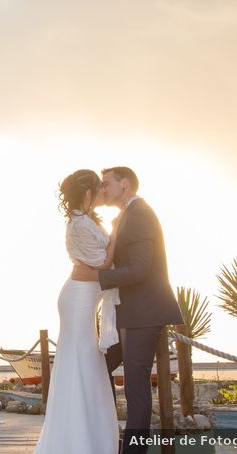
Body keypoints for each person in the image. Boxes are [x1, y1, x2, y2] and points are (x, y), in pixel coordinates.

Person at [71, 166, 183, 454]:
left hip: (143, 313)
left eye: (107, 184)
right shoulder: (125, 217)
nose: (102, 189)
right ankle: (106, 435)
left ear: (125, 185)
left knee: (136, 387)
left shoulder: (141, 215)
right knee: (97, 367)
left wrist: (97, 277)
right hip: (126, 312)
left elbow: (141, 269)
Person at [33, 169, 119, 453]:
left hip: (83, 295)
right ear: (87, 193)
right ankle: (78, 439)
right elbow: (104, 263)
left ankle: (88, 436)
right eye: (98, 187)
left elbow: (98, 266)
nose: (102, 193)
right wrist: (117, 232)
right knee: (81, 361)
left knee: (85, 361)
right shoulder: (80, 224)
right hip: (79, 298)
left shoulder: (82, 221)